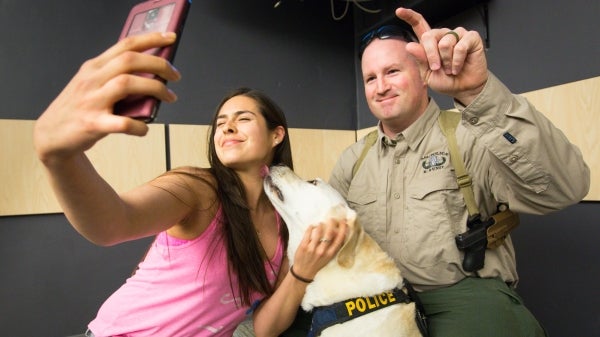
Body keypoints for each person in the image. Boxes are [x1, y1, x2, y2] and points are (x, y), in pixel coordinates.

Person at [33, 32, 347, 337]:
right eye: (221, 124)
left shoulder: (284, 221)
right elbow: (113, 223)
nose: (228, 128)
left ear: (276, 135)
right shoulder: (198, 189)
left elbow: (265, 328)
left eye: (243, 119)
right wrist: (61, 159)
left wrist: (300, 273)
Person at [327, 7, 590, 337]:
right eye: (370, 78)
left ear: (423, 72)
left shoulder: (470, 135)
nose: (380, 87)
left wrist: (477, 93)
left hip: (468, 306)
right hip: (380, 308)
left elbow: (565, 188)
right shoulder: (353, 160)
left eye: (392, 71)